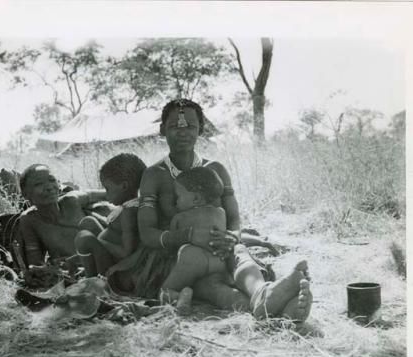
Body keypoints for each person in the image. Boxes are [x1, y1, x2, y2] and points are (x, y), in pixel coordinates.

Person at [111, 99, 312, 322]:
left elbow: (234, 219)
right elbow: (147, 234)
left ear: (201, 129)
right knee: (206, 283)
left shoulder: (216, 170)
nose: (183, 132)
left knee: (239, 254)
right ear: (162, 130)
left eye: (190, 126)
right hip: (173, 255)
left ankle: (261, 294)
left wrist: (230, 238)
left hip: (219, 248)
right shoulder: (154, 174)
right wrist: (188, 236)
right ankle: (274, 308)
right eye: (175, 126)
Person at [18, 164, 107, 286]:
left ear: (59, 184)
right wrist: (39, 273)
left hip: (104, 262)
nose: (49, 187)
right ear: (25, 194)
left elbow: (112, 192)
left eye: (52, 180)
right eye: (39, 184)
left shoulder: (72, 200)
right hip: (71, 273)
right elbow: (35, 259)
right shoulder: (29, 219)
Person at [160, 166, 228, 310]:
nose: (176, 201)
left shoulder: (179, 218)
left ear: (196, 198)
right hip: (219, 261)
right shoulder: (221, 213)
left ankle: (179, 297)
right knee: (214, 288)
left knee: (163, 292)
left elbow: (172, 247)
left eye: (178, 196)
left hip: (193, 259)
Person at [74, 153, 146, 279]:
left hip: (118, 270)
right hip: (111, 257)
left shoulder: (129, 212)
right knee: (88, 222)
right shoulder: (129, 206)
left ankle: (93, 281)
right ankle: (87, 267)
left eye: (107, 189)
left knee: (84, 238)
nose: (106, 195)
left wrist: (99, 242)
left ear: (124, 186)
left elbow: (126, 253)